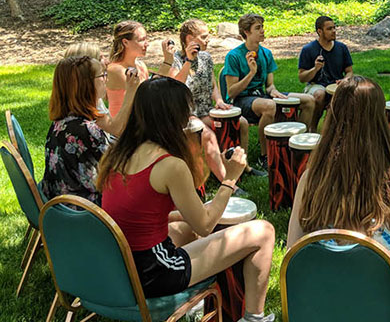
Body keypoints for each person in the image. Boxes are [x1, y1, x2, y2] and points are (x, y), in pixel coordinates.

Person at [98, 78, 276, 322]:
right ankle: (253, 318)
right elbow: (205, 225)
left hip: (120, 266)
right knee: (263, 232)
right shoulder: (169, 165)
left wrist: (180, 214)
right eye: (187, 112)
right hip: (154, 273)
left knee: (184, 227)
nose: (190, 119)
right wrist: (229, 180)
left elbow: (134, 213)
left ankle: (196, 302)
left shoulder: (116, 155)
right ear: (173, 117)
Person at [287, 76, 390, 321]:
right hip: (384, 300)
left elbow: (294, 250)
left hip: (321, 298)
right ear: (379, 119)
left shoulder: (311, 178)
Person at [170, 19, 261, 186]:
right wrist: (188, 61)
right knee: (208, 133)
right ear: (190, 39)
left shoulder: (205, 57)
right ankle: (227, 181)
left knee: (241, 122)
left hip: (206, 109)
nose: (208, 40)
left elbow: (212, 83)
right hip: (186, 114)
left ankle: (243, 166)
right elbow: (174, 86)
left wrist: (218, 100)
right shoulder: (176, 59)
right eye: (204, 37)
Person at [42, 56, 138, 204]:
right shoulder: (87, 129)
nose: (106, 79)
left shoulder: (62, 122)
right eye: (102, 75)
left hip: (60, 209)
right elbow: (116, 175)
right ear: (86, 85)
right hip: (87, 214)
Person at [223, 13, 315, 167]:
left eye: (262, 27)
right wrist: (251, 73)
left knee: (308, 101)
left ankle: (298, 145)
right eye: (258, 28)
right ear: (246, 32)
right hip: (242, 100)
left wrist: (273, 91)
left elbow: (269, 85)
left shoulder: (266, 53)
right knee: (270, 106)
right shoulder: (234, 56)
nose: (262, 31)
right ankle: (265, 155)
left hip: (263, 96)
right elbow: (231, 92)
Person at [106, 20, 175, 117]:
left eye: (146, 39)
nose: (147, 44)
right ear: (125, 42)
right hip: (126, 128)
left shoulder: (140, 65)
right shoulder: (116, 70)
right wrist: (167, 61)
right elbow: (146, 96)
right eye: (141, 40)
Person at [63, 42, 134, 137]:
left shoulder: (92, 98)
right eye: (101, 58)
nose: (107, 61)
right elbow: (117, 129)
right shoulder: (83, 106)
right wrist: (131, 91)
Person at [298, 16, 354, 130]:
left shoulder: (341, 48)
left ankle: (332, 132)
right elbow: (302, 77)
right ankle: (312, 128)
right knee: (320, 94)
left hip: (336, 85)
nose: (333, 31)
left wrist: (345, 80)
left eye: (334, 28)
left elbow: (349, 72)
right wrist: (315, 69)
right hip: (315, 85)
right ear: (319, 31)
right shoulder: (308, 49)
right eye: (329, 29)